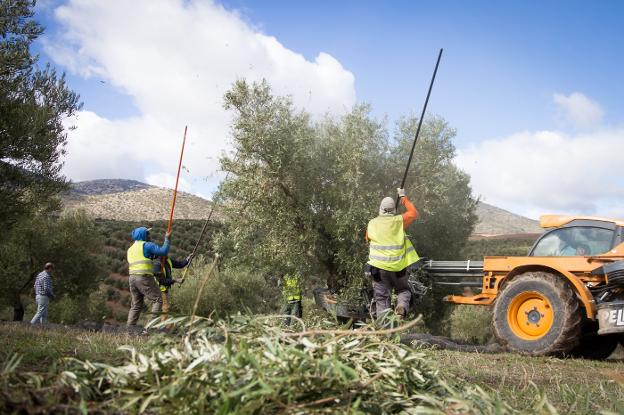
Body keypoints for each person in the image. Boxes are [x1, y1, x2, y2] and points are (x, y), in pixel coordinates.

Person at [366, 188, 419, 318]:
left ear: (381, 209)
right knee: (404, 290)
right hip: (398, 269)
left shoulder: (372, 223)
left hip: (378, 270)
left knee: (382, 299)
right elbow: (413, 213)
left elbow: (367, 239)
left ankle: (384, 333)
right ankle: (401, 306)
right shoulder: (399, 221)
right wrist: (403, 197)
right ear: (393, 210)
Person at [126, 227, 171, 326]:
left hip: (132, 279)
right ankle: (150, 327)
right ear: (143, 235)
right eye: (147, 234)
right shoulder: (146, 245)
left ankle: (129, 329)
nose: (149, 236)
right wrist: (167, 239)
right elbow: (163, 252)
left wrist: (155, 273)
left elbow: (142, 261)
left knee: (136, 305)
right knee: (158, 299)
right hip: (143, 278)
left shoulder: (130, 249)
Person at [152, 254, 193, 321]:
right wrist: (176, 280)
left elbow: (179, 264)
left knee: (162, 308)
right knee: (165, 307)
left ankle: (157, 325)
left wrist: (187, 259)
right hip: (159, 289)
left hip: (164, 289)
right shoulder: (157, 265)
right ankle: (161, 325)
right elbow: (162, 281)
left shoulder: (168, 260)